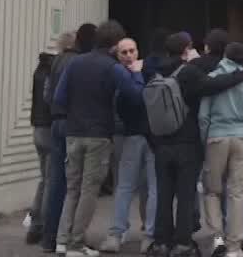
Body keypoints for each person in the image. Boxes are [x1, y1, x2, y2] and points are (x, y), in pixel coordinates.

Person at [156, 31, 243, 257]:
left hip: (163, 141)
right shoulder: (191, 71)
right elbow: (212, 88)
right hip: (193, 141)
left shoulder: (156, 70)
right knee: (192, 194)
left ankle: (164, 241)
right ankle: (196, 244)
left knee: (168, 194)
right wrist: (242, 75)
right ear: (186, 49)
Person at [53, 20, 139, 256]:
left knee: (73, 188)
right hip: (99, 135)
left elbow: (59, 98)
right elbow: (134, 95)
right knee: (89, 190)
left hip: (73, 132)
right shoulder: (114, 68)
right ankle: (76, 244)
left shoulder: (75, 63)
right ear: (114, 45)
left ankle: (62, 240)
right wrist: (136, 74)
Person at [200, 41, 243, 257]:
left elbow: (203, 117)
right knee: (237, 193)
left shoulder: (211, 79)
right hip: (240, 137)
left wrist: (205, 141)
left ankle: (217, 239)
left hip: (215, 138)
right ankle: (234, 246)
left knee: (212, 191)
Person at [42, 23, 99, 253]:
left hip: (55, 122)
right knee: (75, 184)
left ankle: (50, 237)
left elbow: (49, 94)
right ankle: (69, 237)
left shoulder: (55, 61)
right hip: (71, 124)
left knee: (56, 181)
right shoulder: (77, 62)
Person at [105, 37, 160, 253]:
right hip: (134, 136)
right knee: (128, 186)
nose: (129, 55)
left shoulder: (147, 70)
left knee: (144, 187)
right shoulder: (123, 74)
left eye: (131, 51)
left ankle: (147, 234)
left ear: (138, 51)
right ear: (117, 55)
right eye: (124, 52)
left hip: (144, 136)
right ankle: (119, 232)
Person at [29, 32, 73, 245]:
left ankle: (35, 224)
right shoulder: (59, 67)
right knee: (53, 180)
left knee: (44, 179)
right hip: (50, 126)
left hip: (38, 127)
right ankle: (46, 227)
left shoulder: (42, 68)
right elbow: (52, 99)